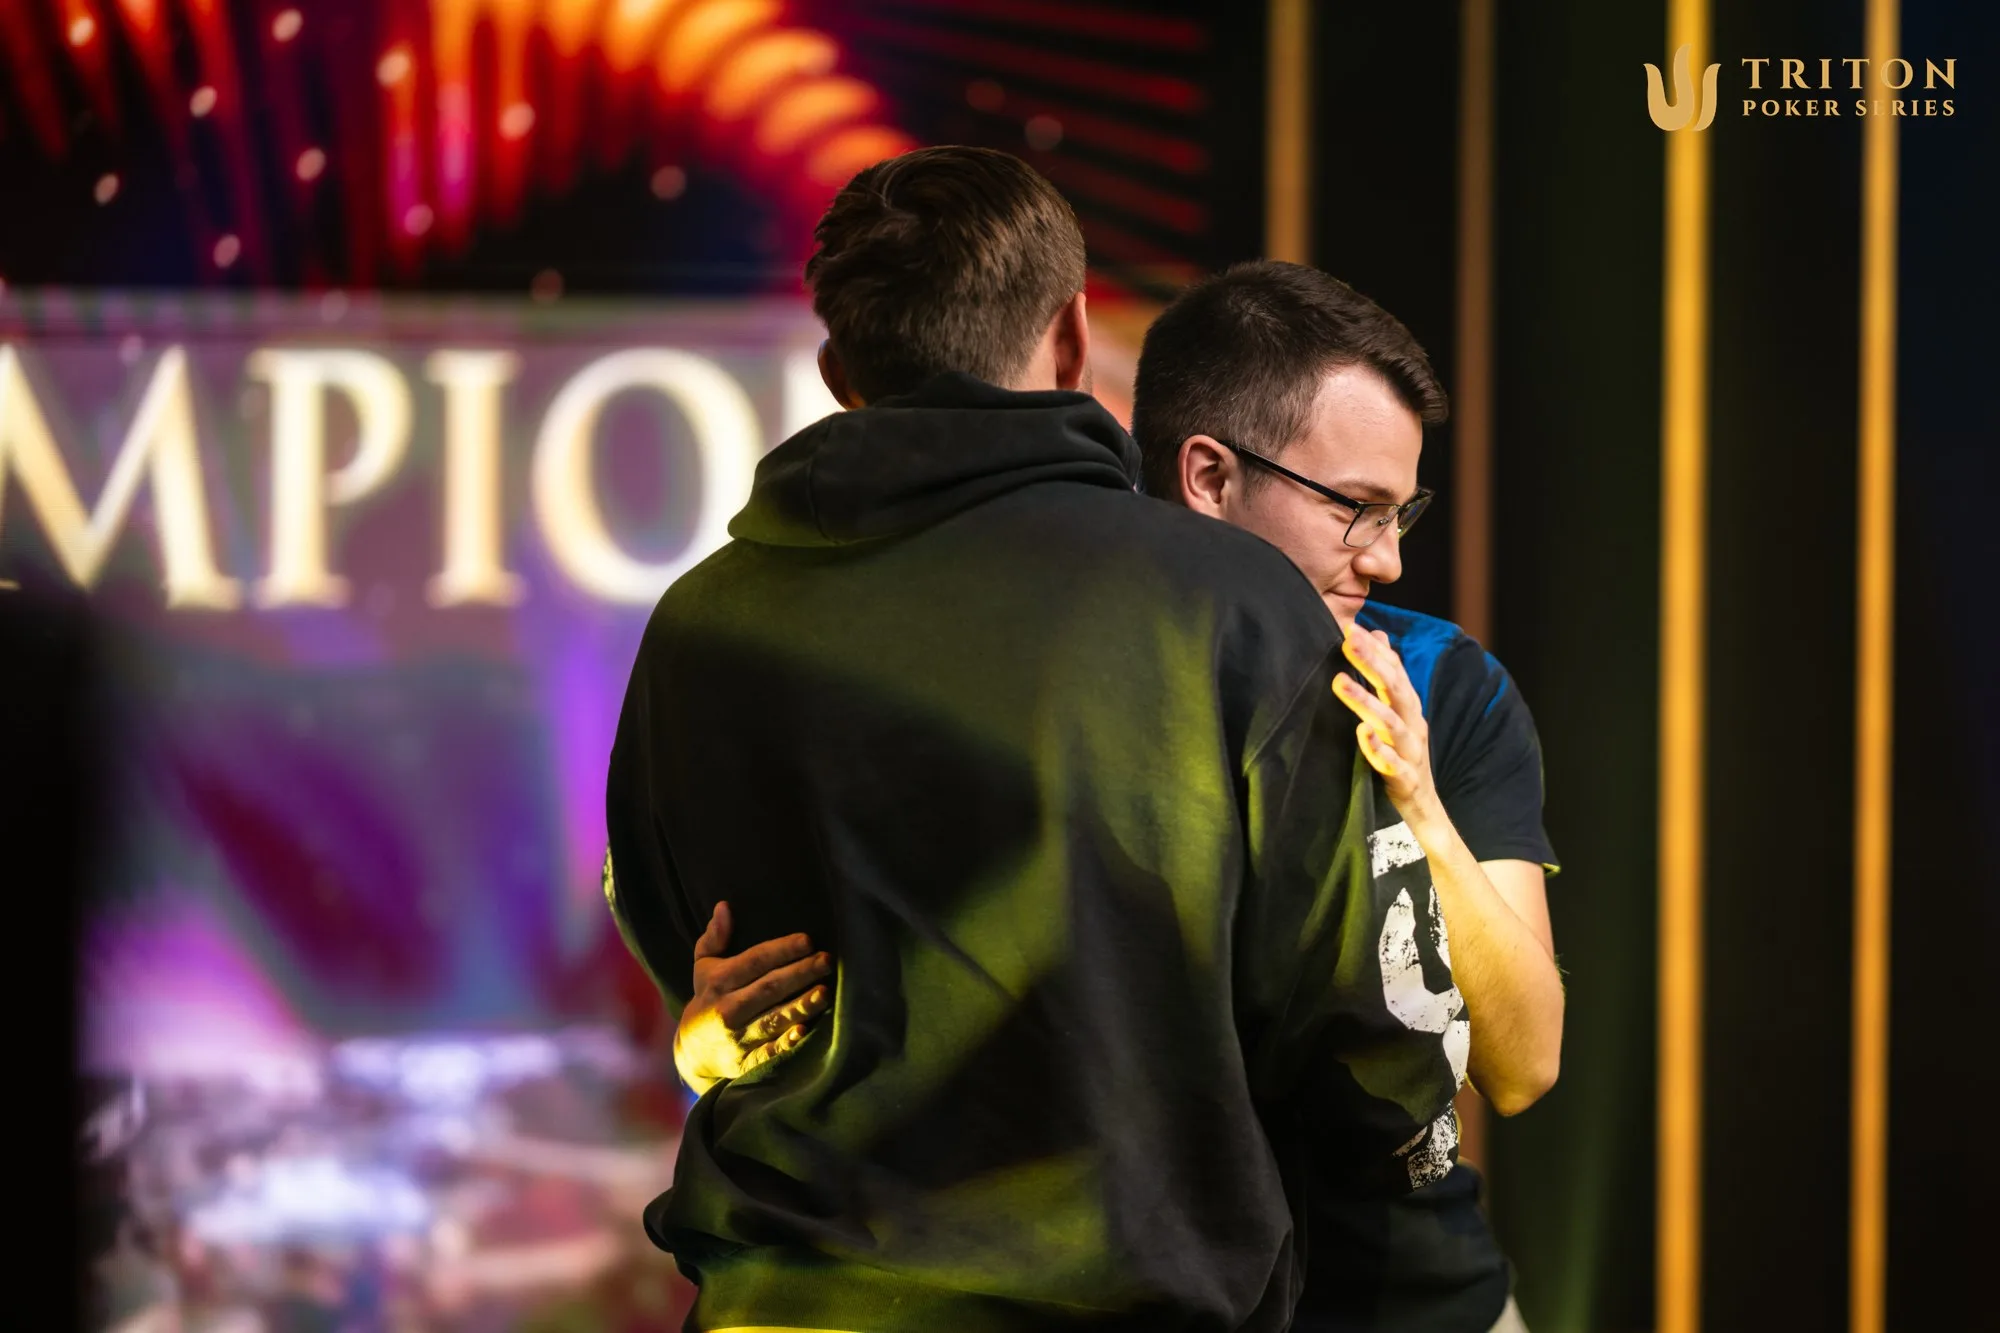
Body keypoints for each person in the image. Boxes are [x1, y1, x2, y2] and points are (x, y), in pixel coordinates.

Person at [603, 147, 1465, 1332]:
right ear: (1069, 338)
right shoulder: (1228, 607)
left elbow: (697, 984)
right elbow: (1366, 1035)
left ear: (837, 370)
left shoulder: (699, 622)